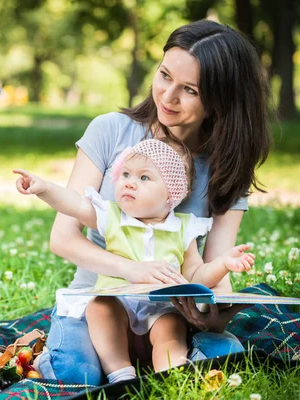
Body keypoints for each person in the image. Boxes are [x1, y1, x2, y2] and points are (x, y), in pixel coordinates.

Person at [32, 19, 271, 385]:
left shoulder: (226, 166)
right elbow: (63, 238)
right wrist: (133, 273)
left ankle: (161, 359)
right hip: (99, 303)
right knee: (76, 377)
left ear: (221, 99)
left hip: (169, 314)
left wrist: (213, 315)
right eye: (164, 76)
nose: (168, 96)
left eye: (189, 89)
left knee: (226, 359)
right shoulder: (111, 130)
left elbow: (213, 274)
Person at [14, 138, 255, 382]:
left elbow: (195, 275)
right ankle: (121, 373)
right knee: (99, 308)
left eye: (144, 178)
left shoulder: (183, 228)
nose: (129, 183)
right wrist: (44, 189)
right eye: (126, 174)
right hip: (117, 302)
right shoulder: (112, 216)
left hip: (160, 308)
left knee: (171, 326)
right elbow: (74, 204)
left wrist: (223, 264)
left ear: (172, 192)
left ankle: (170, 376)